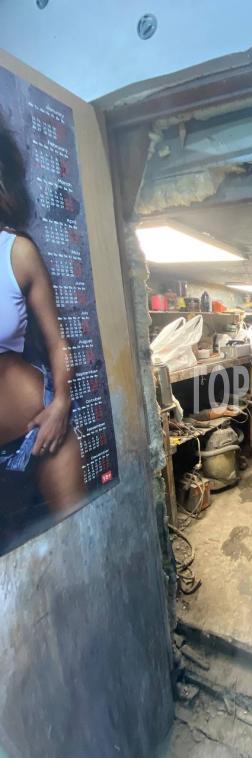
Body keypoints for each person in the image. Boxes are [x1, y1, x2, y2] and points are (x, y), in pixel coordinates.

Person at [0, 117, 85, 516]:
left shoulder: (16, 252)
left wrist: (62, 403)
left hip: (39, 430)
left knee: (78, 539)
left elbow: (57, 343)